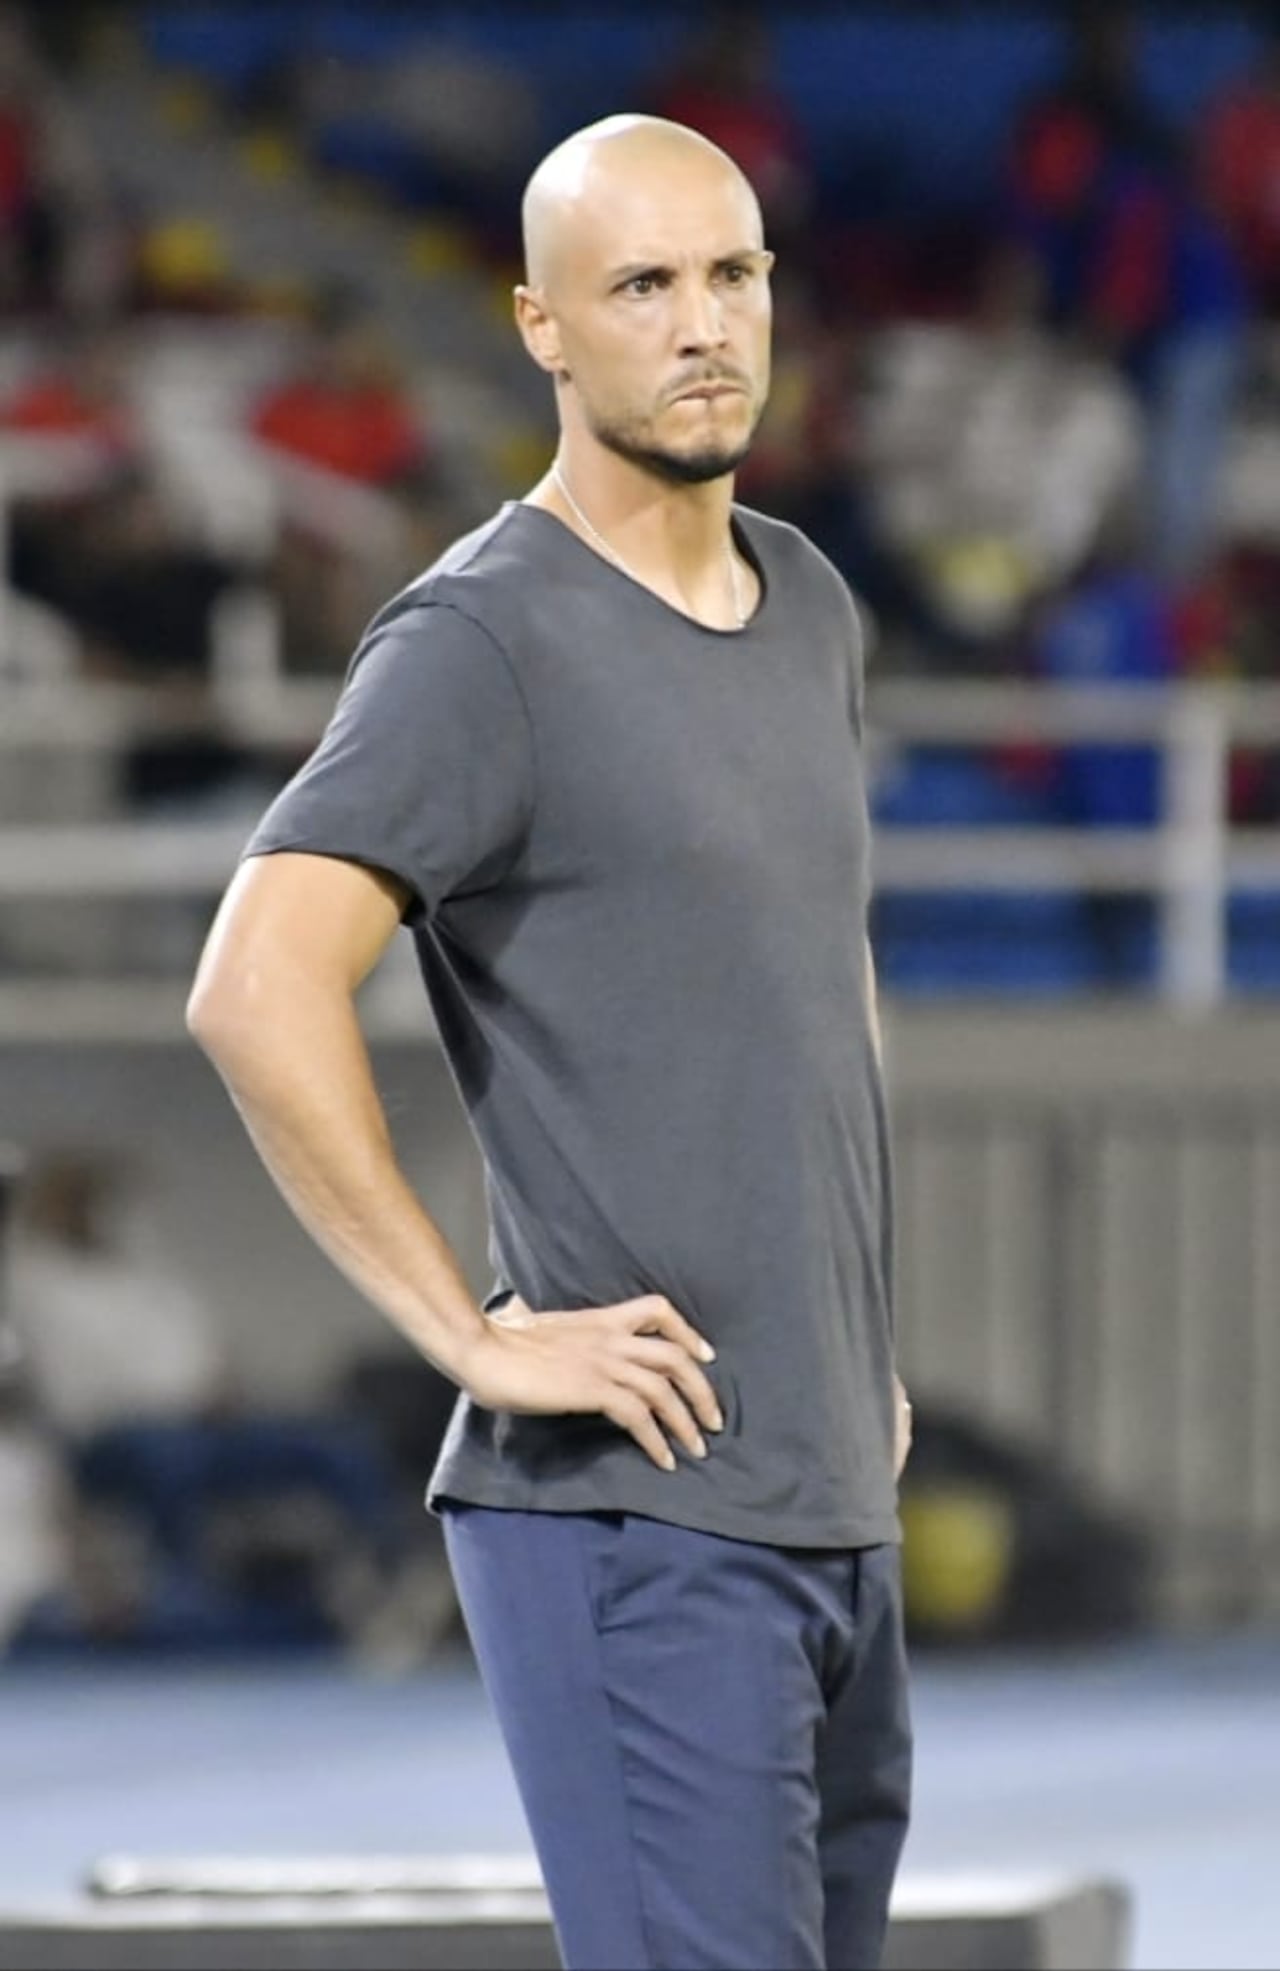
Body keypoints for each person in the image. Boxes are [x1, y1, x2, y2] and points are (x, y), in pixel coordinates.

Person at [188, 113, 913, 1971]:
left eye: (733, 274)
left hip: (832, 1493)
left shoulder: (812, 604)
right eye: (643, 285)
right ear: (542, 327)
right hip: (633, 1526)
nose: (704, 325)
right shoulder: (480, 643)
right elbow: (255, 988)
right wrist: (468, 1334)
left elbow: (814, 984)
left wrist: (857, 1347)